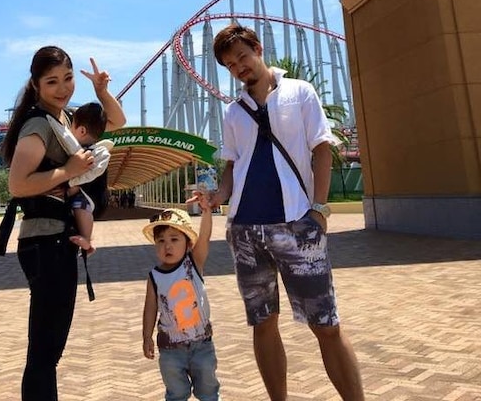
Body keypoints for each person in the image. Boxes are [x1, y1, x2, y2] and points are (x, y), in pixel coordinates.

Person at [207, 24, 364, 401]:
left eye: (243, 57)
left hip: (297, 225)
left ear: (258, 49)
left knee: (325, 324)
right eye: (231, 65)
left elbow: (322, 148)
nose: (239, 67)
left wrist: (319, 210)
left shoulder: (300, 92)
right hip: (246, 231)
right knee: (262, 323)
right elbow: (232, 164)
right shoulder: (233, 112)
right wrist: (218, 196)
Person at [2, 46, 126, 401]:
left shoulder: (64, 119)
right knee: (45, 353)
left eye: (68, 78)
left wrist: (102, 92)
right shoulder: (39, 125)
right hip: (47, 243)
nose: (63, 88)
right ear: (36, 85)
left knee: (48, 351)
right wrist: (69, 170)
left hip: (55, 242)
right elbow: (17, 184)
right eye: (52, 81)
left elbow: (117, 121)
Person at [142, 203, 221, 401]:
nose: (167, 246)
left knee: (208, 392)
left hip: (201, 345)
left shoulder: (193, 263)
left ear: (188, 244)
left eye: (174, 239)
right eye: (161, 241)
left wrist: (206, 212)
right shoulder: (154, 276)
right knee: (176, 394)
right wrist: (146, 336)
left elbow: (205, 237)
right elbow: (150, 308)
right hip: (170, 349)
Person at [46, 101, 114, 253]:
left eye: (72, 126)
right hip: (76, 192)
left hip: (91, 195)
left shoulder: (99, 153)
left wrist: (69, 183)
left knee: (81, 207)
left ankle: (87, 241)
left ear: (81, 130)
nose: (69, 130)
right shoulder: (74, 148)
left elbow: (91, 174)